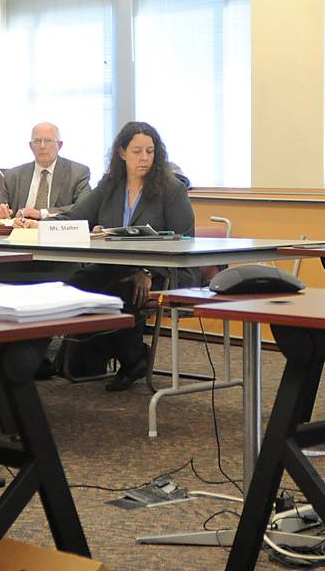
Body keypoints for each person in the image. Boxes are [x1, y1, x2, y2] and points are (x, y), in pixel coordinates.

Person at [19, 121, 195, 392]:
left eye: (150, 151)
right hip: (115, 268)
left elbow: (184, 241)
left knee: (122, 287)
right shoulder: (110, 185)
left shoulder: (172, 189)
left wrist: (147, 272)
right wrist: (38, 225)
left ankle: (132, 359)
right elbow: (76, 216)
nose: (144, 158)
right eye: (137, 151)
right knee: (76, 284)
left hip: (166, 272)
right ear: (122, 152)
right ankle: (36, 358)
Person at [0, 122, 92, 220]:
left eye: (48, 141)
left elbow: (84, 207)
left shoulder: (78, 173)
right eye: (37, 141)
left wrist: (40, 214)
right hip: (21, 233)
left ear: (59, 145)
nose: (42, 146)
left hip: (57, 234)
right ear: (31, 146)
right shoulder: (14, 175)